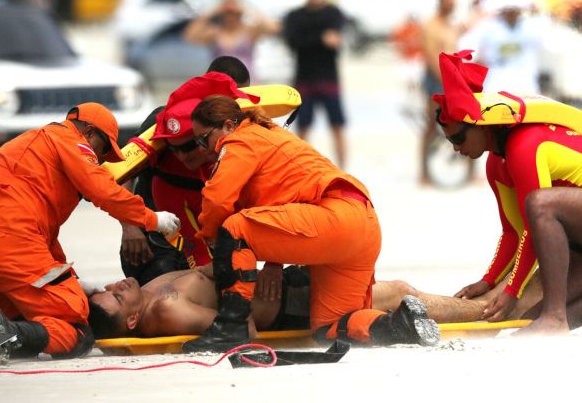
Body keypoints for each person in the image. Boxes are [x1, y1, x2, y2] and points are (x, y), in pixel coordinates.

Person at [182, 95, 439, 352]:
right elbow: (282, 204)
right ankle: (400, 324)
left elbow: (217, 201)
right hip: (363, 223)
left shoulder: (240, 139)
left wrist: (213, 240)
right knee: (329, 327)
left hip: (333, 219)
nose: (203, 149)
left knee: (234, 228)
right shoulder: (271, 134)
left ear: (228, 125)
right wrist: (273, 261)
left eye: (203, 139)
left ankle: (231, 329)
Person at [0, 102, 181, 359]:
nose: (99, 160)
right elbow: (103, 190)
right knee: (74, 326)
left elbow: (42, 240)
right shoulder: (71, 141)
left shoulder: (30, 145)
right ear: (89, 133)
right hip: (10, 245)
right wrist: (152, 219)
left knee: (10, 315)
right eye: (101, 151)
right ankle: (8, 334)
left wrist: (75, 280)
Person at [432, 50, 582, 334]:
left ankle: (555, 317)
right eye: (449, 141)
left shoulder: (524, 146)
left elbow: (535, 221)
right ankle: (556, 316)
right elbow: (513, 231)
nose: (456, 148)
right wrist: (489, 280)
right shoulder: (496, 164)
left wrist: (512, 288)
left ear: (481, 124)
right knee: (529, 315)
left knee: (539, 203)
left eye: (459, 137)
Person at [118, 64, 257, 284]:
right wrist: (130, 226)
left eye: (236, 100)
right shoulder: (166, 121)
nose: (229, 107)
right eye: (226, 98)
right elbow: (122, 171)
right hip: (156, 239)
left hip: (206, 237)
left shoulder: (238, 127)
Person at [88, 265, 311, 339]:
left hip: (285, 282)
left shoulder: (144, 294)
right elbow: (243, 326)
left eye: (107, 288)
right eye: (118, 297)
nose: (116, 286)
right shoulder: (166, 309)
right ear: (133, 319)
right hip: (292, 302)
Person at [283, 0, 347, 167]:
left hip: (327, 76)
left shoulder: (332, 13)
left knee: (336, 126)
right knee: (303, 128)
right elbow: (294, 42)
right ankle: (302, 167)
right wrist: (321, 38)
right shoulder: (296, 16)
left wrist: (311, 39)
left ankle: (343, 168)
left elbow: (332, 40)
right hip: (305, 77)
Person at [419, 0, 465, 185]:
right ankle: (423, 173)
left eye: (454, 0)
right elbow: (431, 58)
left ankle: (469, 171)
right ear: (441, 1)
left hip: (452, 78)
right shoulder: (431, 25)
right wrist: (446, 83)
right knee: (431, 124)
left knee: (464, 122)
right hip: (436, 80)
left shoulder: (451, 25)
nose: (452, 3)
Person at [183, 0, 280, 83]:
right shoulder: (215, 33)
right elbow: (189, 35)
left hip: (247, 83)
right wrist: (212, 11)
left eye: (234, 14)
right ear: (222, 15)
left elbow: (274, 27)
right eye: (227, 14)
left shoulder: (249, 31)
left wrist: (245, 8)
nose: (230, 17)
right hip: (220, 84)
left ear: (239, 14)